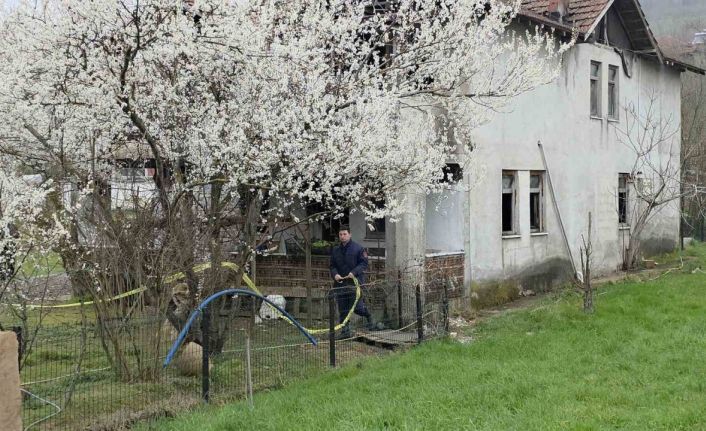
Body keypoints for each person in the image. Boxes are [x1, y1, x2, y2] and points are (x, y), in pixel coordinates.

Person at [329, 225, 374, 338]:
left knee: (357, 308)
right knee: (343, 309)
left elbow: (364, 264)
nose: (342, 236)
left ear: (350, 234)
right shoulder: (335, 250)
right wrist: (335, 274)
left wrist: (354, 272)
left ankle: (368, 316)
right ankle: (345, 332)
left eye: (345, 234)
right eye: (340, 234)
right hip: (340, 284)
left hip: (355, 283)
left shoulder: (358, 248)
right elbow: (332, 266)